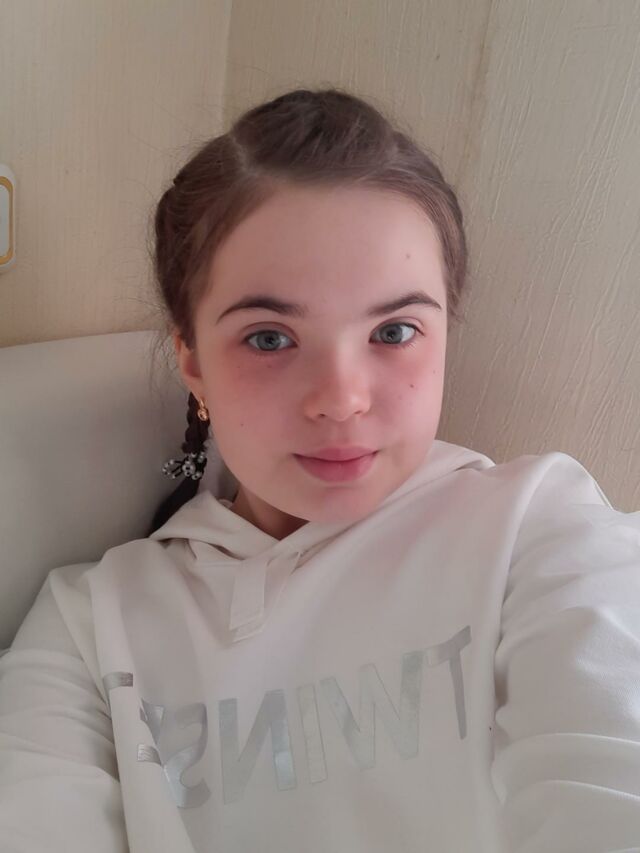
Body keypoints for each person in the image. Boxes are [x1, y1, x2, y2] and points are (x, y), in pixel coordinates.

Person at [1, 87, 639, 853]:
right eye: (269, 338)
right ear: (192, 361)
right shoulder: (88, 625)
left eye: (394, 331)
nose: (341, 400)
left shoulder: (539, 532)